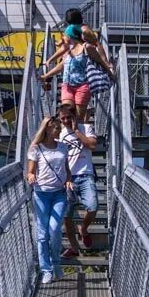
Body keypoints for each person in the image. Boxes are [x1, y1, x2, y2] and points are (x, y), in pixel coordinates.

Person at [41, 16, 114, 123]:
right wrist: (46, 75)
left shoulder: (87, 47)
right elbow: (62, 66)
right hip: (67, 85)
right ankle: (66, 137)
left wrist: (110, 72)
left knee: (78, 119)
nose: (64, 38)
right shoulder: (68, 50)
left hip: (83, 86)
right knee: (65, 113)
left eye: (66, 36)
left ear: (72, 37)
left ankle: (77, 137)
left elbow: (100, 62)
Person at [26, 115, 71, 284]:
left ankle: (56, 263)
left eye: (59, 128)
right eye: (56, 128)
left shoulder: (63, 147)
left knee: (54, 229)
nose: (59, 130)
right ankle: (46, 270)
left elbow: (66, 169)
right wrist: (30, 175)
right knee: (43, 235)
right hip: (41, 194)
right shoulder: (36, 148)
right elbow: (30, 171)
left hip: (59, 193)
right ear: (48, 129)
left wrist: (68, 180)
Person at [57, 100, 99, 258]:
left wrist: (76, 131)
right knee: (66, 215)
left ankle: (83, 229)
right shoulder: (58, 134)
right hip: (66, 179)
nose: (66, 121)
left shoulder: (86, 128)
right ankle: (74, 248)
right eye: (63, 118)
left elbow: (92, 145)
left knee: (93, 206)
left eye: (69, 117)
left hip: (85, 174)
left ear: (75, 116)